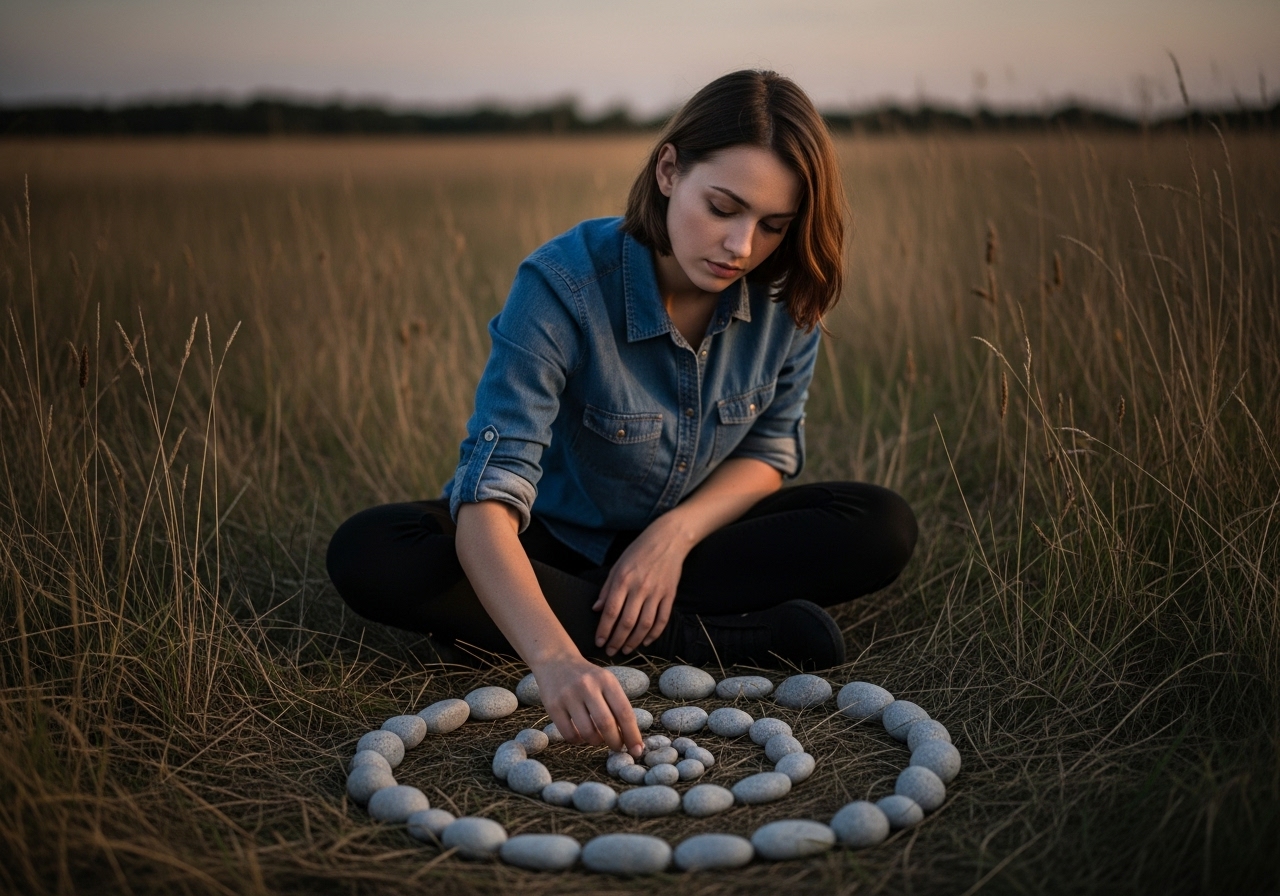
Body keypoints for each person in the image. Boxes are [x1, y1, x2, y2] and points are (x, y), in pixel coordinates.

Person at [327, 70, 917, 759]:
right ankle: (693, 639)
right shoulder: (562, 286)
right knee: (375, 550)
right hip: (552, 541)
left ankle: (612, 609)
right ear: (669, 170)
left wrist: (670, 538)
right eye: (723, 207)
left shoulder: (787, 297)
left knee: (880, 525)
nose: (742, 246)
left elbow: (772, 451)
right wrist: (552, 660)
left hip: (695, 549)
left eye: (773, 226)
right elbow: (488, 495)